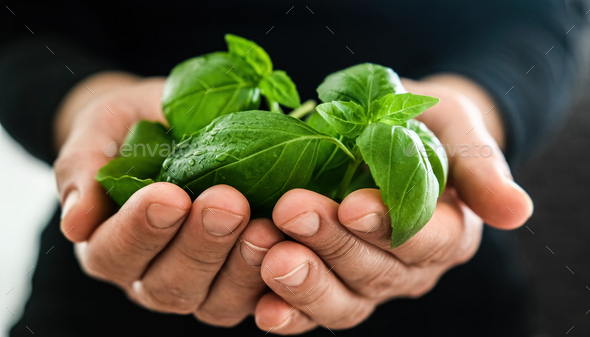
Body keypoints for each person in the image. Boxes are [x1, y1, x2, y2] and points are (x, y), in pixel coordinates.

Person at [0, 1, 577, 336]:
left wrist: (475, 102)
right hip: (118, 282)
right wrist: (84, 100)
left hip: (443, 302)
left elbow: (542, 13)